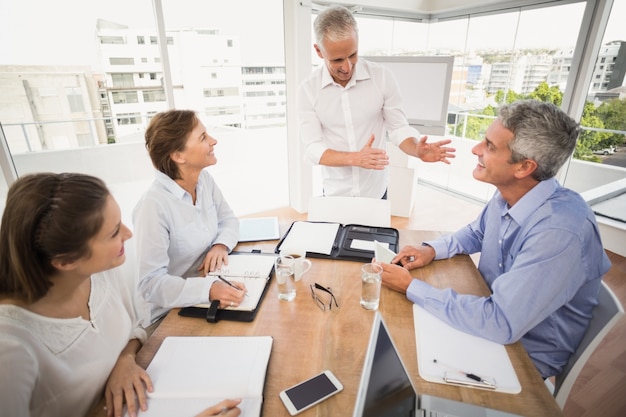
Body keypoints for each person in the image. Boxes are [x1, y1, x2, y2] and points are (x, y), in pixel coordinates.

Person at [380, 99, 612, 379]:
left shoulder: (560, 232)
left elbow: (500, 322)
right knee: (398, 335)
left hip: (521, 355)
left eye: (489, 146)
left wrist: (411, 287)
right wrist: (431, 249)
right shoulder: (511, 191)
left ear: (524, 167)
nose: (476, 150)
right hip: (490, 313)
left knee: (400, 359)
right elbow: (478, 232)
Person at [0, 173, 241, 417]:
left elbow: (132, 329)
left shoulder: (99, 274)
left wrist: (125, 360)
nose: (129, 234)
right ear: (66, 261)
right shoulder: (11, 349)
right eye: (114, 232)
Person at [298, 4, 456, 199]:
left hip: (375, 192)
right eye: (337, 60)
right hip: (334, 193)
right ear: (319, 51)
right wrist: (355, 158)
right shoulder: (308, 90)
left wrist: (416, 149)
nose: (347, 67)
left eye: (353, 55)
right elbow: (313, 148)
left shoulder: (382, 78)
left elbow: (398, 128)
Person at [132, 109, 245, 326]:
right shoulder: (153, 206)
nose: (214, 141)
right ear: (178, 155)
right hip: (169, 314)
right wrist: (208, 289)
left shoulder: (204, 180)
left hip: (208, 291)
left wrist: (220, 245)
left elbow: (228, 220)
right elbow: (150, 284)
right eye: (203, 137)